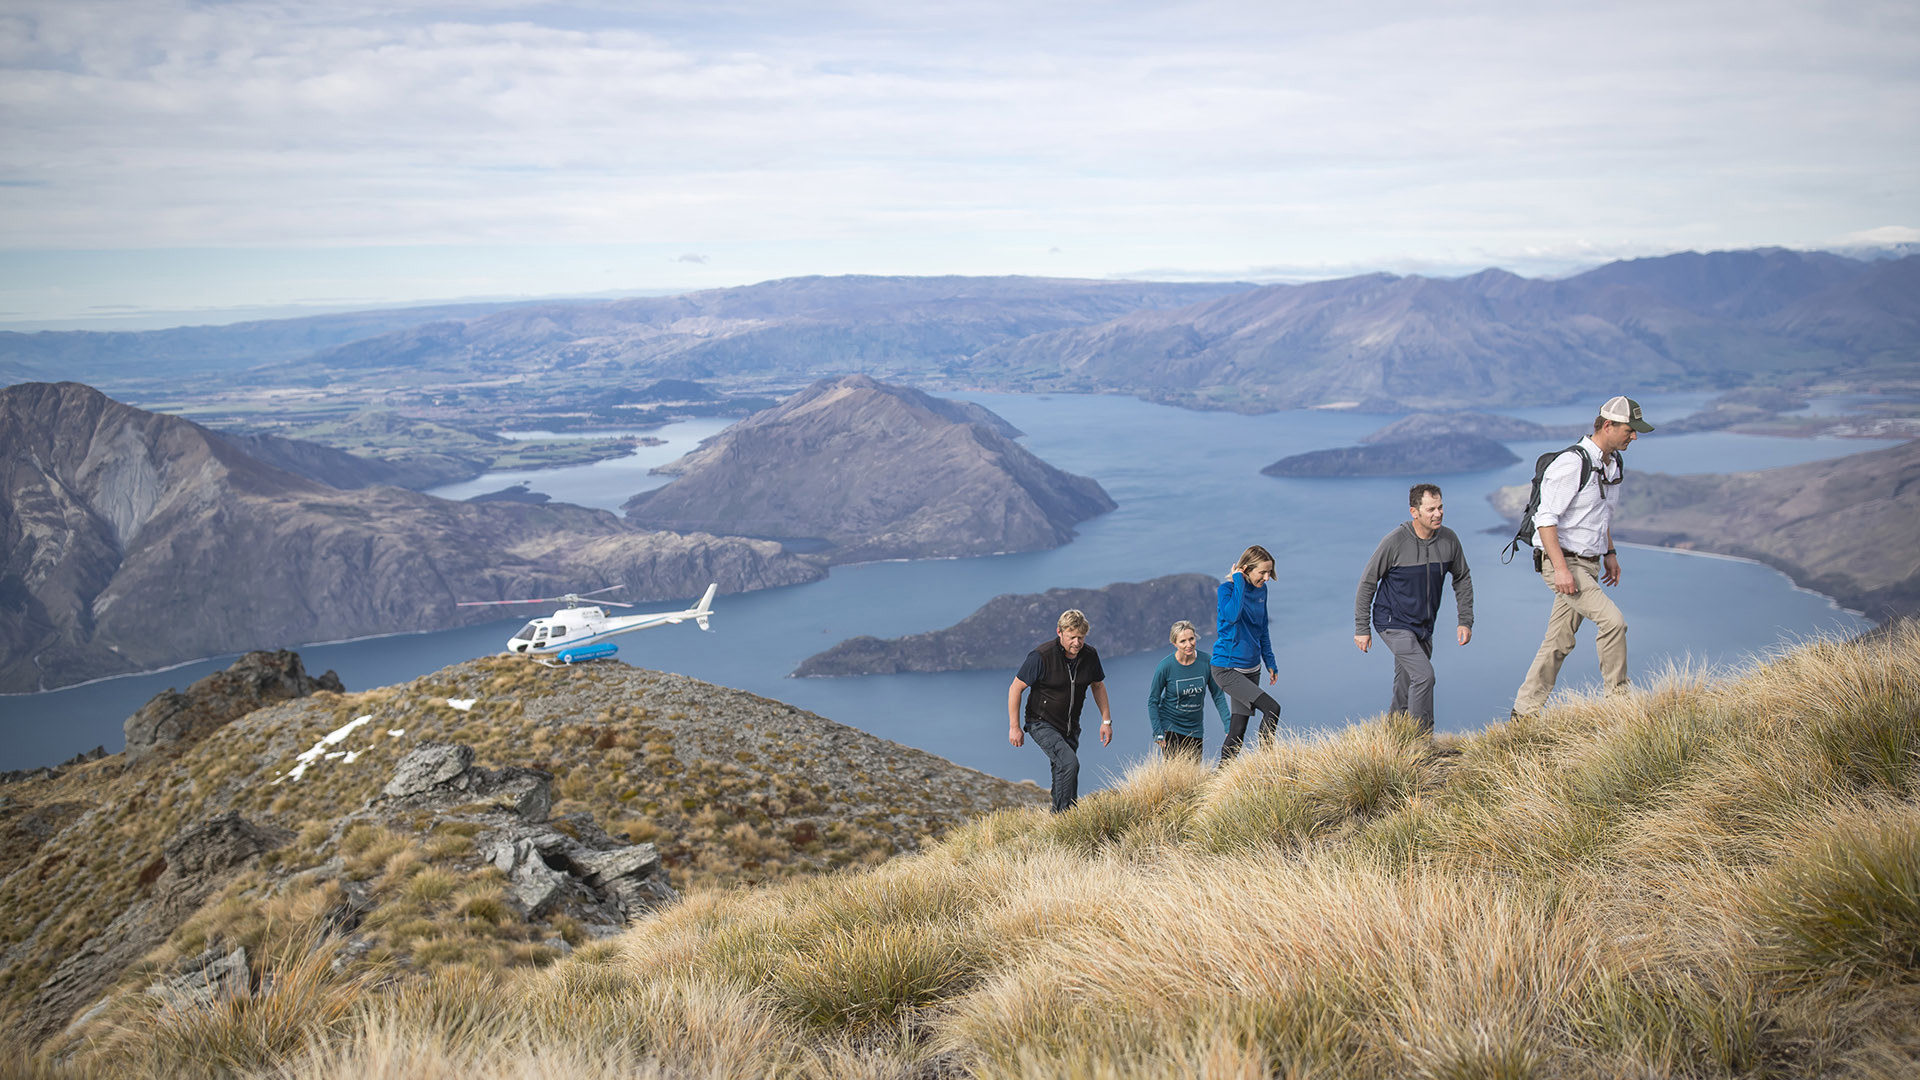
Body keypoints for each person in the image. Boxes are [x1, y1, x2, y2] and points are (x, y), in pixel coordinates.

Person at [1511, 395, 1654, 717]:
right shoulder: (1572, 464)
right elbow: (1545, 520)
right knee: (1614, 623)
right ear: (1608, 425)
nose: (1634, 436)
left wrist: (1610, 553)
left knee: (1558, 642)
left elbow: (1600, 516)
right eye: (1630, 430)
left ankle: (1523, 713)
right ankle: (1619, 705)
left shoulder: (1612, 464)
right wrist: (1560, 570)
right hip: (1564, 563)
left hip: (1587, 563)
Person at [1353, 483, 1474, 735]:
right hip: (1392, 621)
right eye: (1430, 509)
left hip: (1423, 625)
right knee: (1424, 677)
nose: (1438, 513)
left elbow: (1462, 577)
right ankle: (1420, 741)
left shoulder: (1449, 540)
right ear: (1414, 511)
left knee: (1407, 680)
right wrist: (1361, 628)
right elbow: (1367, 582)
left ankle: (1395, 738)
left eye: (1440, 507)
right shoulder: (1395, 542)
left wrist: (1465, 620)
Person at [1007, 608, 1111, 812]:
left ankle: (1061, 816)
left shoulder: (1089, 655)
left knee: (1063, 770)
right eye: (1072, 637)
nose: (1077, 643)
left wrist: (1106, 721)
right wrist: (1014, 727)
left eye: (1081, 637)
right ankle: (1065, 818)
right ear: (1059, 632)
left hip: (1070, 726)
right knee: (1069, 764)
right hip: (1040, 722)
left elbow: (1098, 685)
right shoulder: (1042, 656)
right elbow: (1015, 688)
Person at [1211, 545, 1282, 761]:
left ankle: (1219, 779)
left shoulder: (1262, 590)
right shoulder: (1227, 590)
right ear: (1246, 569)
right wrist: (1239, 581)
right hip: (1227, 668)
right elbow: (1232, 615)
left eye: (1269, 572)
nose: (1267, 577)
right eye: (1262, 572)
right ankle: (1268, 763)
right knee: (1272, 708)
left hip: (1252, 668)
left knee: (1237, 731)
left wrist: (1270, 661)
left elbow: (1262, 628)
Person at [1147, 620, 1229, 761]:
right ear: (1174, 643)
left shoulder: (1206, 662)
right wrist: (1158, 731)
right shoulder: (1165, 667)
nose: (1189, 644)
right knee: (1176, 775)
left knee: (1194, 775)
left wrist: (1229, 725)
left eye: (1191, 639)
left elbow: (1218, 696)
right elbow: (1152, 701)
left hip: (1195, 728)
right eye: (1182, 641)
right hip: (1170, 727)